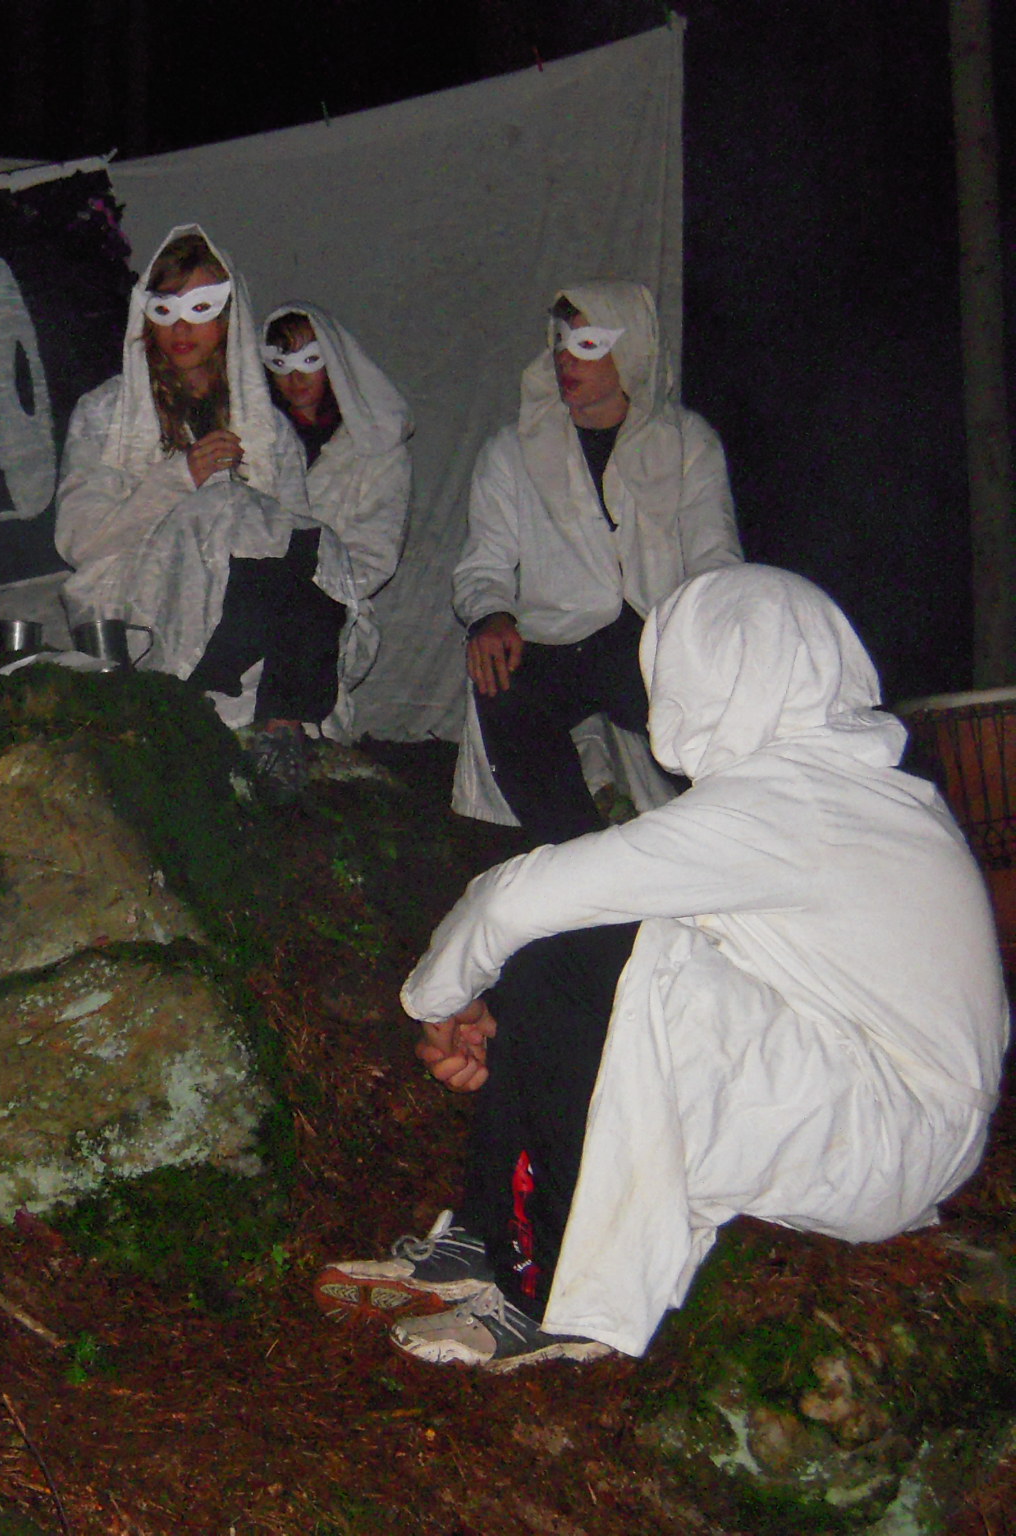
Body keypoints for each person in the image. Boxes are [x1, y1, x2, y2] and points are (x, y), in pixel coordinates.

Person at [316, 565, 1008, 1370]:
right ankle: (488, 1232)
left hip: (882, 1136)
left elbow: (517, 897)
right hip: (881, 1112)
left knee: (573, 942)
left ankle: (552, 1294)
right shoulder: (847, 790)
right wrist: (494, 1004)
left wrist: (439, 1004)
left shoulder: (796, 802)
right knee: (578, 945)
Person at [452, 281, 741, 844]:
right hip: (554, 639)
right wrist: (490, 615)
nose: (565, 358)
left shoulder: (687, 442)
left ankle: (718, 840)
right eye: (560, 341)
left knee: (704, 727)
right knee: (500, 680)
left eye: (587, 343)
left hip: (654, 639)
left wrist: (709, 640)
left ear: (629, 349)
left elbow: (715, 557)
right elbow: (483, 564)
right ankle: (571, 847)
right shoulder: (512, 451)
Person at [53, 226, 321, 791]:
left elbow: (300, 541)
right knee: (219, 507)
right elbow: (78, 540)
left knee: (305, 549)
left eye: (200, 309)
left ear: (227, 318)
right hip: (139, 611)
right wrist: (180, 479)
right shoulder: (105, 414)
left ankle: (277, 727)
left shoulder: (266, 428)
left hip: (250, 627)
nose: (181, 328)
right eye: (166, 309)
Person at [231, 303, 412, 742]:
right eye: (281, 362)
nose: (296, 378)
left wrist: (314, 580)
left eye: (309, 360)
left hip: (333, 606)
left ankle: (290, 742)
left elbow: (376, 550)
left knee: (305, 658)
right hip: (249, 599)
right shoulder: (250, 441)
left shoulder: (376, 451)